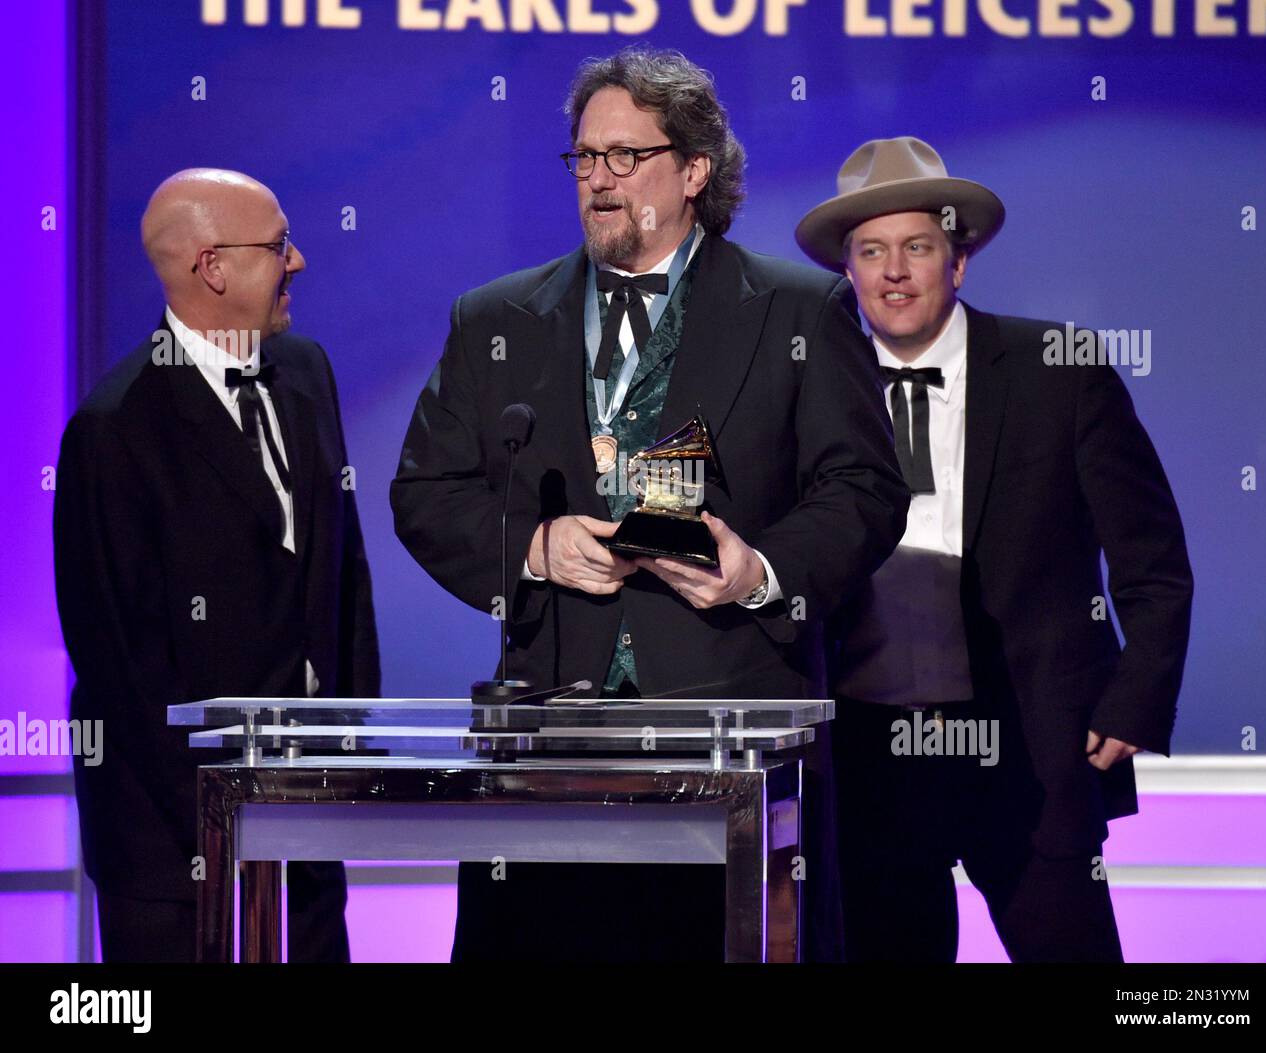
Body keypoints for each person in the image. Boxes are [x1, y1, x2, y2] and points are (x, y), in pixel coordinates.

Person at [391, 47, 908, 961]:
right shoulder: (496, 320)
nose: (598, 181)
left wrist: (761, 570)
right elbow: (425, 492)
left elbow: (863, 490)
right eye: (585, 158)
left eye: (626, 157)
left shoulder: (799, 309)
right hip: (549, 744)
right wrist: (537, 545)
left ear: (695, 169)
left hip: (730, 741)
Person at [796, 136, 1194, 962]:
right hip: (870, 757)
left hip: (1033, 747)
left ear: (959, 262)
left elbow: (1153, 557)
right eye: (871, 251)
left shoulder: (1061, 369)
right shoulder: (807, 388)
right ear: (849, 271)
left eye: (917, 247)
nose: (894, 271)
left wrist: (1135, 700)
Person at [54, 168, 380, 962]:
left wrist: (348, 755)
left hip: (305, 818)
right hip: (173, 846)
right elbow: (122, 668)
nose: (298, 261)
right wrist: (223, 813)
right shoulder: (115, 429)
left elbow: (344, 576)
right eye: (278, 246)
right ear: (213, 268)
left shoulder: (308, 372)